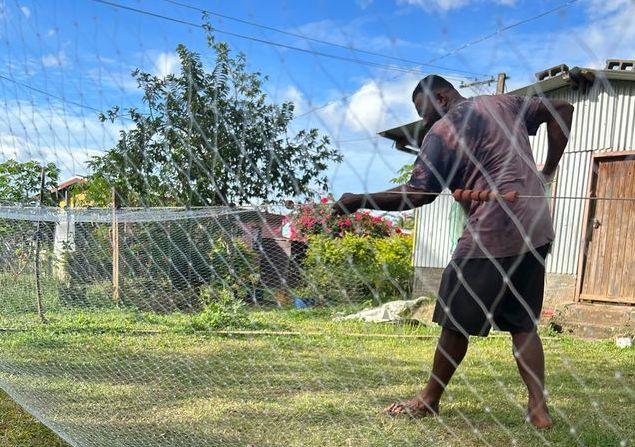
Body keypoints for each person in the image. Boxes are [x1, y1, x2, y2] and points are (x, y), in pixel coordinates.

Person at [332, 74, 574, 429]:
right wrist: (547, 171)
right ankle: (539, 410)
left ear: (442, 97)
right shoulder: (503, 103)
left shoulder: (442, 132)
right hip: (537, 228)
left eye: (423, 109)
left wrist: (358, 201)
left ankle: (429, 400)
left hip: (494, 233)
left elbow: (417, 195)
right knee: (522, 324)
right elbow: (562, 110)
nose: (424, 119)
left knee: (454, 322)